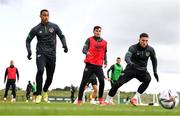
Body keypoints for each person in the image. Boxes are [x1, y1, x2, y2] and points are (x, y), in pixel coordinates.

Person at [26, 9, 68, 103]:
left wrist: (64, 45)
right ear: (40, 16)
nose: (46, 17)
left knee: (50, 77)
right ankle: (39, 94)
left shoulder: (54, 26)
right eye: (44, 15)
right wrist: (29, 51)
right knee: (40, 70)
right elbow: (28, 40)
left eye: (47, 15)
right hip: (41, 53)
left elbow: (61, 36)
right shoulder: (36, 29)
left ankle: (44, 91)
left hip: (52, 54)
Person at [104, 33, 159, 106]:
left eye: (146, 41)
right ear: (139, 39)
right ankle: (107, 101)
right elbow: (127, 57)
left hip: (142, 70)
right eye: (143, 40)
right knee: (117, 84)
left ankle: (135, 98)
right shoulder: (133, 48)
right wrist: (131, 63)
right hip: (131, 69)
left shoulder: (150, 49)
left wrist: (155, 71)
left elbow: (154, 60)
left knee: (148, 79)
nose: (144, 42)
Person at [77, 26, 107, 105]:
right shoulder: (89, 39)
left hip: (98, 66)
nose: (98, 32)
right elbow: (84, 48)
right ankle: (79, 100)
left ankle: (100, 99)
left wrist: (105, 61)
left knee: (102, 81)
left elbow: (105, 53)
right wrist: (86, 52)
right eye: (96, 31)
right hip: (89, 64)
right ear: (93, 31)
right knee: (83, 82)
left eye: (99, 31)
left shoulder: (104, 42)